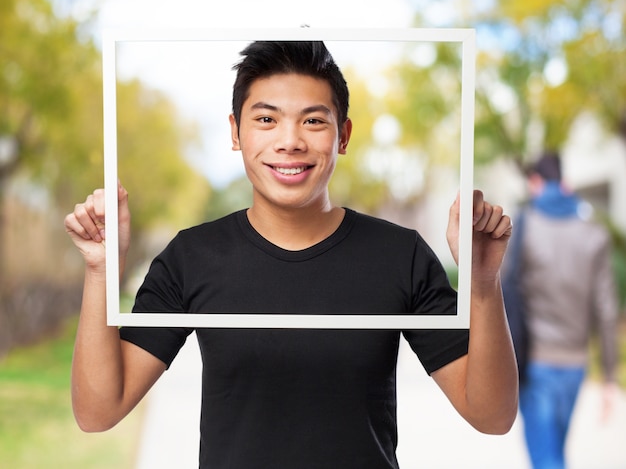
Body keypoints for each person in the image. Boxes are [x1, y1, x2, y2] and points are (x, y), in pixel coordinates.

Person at [64, 41, 518, 468]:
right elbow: (98, 411)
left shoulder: (400, 255)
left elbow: (492, 416)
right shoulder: (192, 256)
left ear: (343, 135)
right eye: (266, 119)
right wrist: (101, 269)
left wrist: (482, 284)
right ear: (235, 132)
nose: (290, 141)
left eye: (313, 121)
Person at [511, 152, 620, 469]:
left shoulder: (525, 228)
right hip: (576, 364)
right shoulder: (594, 235)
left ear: (535, 183)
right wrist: (610, 376)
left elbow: (504, 291)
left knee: (546, 459)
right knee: (555, 452)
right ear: (566, 183)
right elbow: (607, 309)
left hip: (535, 362)